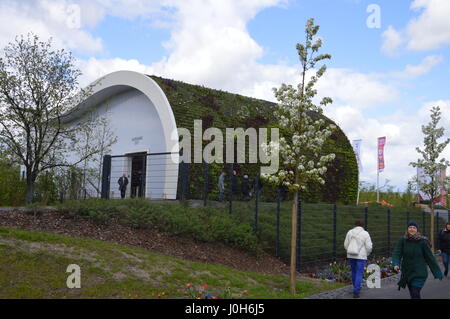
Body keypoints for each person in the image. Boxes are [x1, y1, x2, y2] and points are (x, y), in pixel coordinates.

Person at [392, 221, 443, 299]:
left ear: (417, 230)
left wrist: (438, 273)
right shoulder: (402, 240)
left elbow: (430, 258)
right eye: (410, 227)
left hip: (420, 273)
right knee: (413, 295)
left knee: (415, 293)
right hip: (407, 273)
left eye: (414, 228)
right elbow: (397, 253)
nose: (412, 229)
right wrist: (396, 264)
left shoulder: (422, 241)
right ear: (407, 229)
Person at [344, 220, 373, 298]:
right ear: (363, 225)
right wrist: (367, 253)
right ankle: (356, 291)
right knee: (359, 273)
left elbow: (346, 244)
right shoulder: (365, 233)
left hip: (351, 255)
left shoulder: (349, 232)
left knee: (353, 272)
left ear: (355, 225)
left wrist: (350, 251)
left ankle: (355, 287)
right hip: (361, 256)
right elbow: (369, 246)